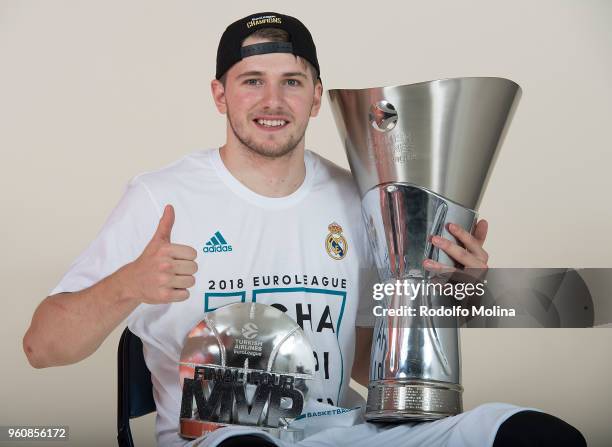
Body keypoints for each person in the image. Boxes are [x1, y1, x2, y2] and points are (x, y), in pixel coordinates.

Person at [23, 11, 585, 447]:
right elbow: (42, 346)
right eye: (251, 82)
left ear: (317, 96)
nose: (273, 101)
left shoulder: (362, 196)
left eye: (292, 81)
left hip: (345, 430)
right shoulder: (160, 197)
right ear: (220, 94)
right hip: (223, 438)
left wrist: (445, 293)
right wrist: (128, 284)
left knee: (532, 434)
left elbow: (368, 365)